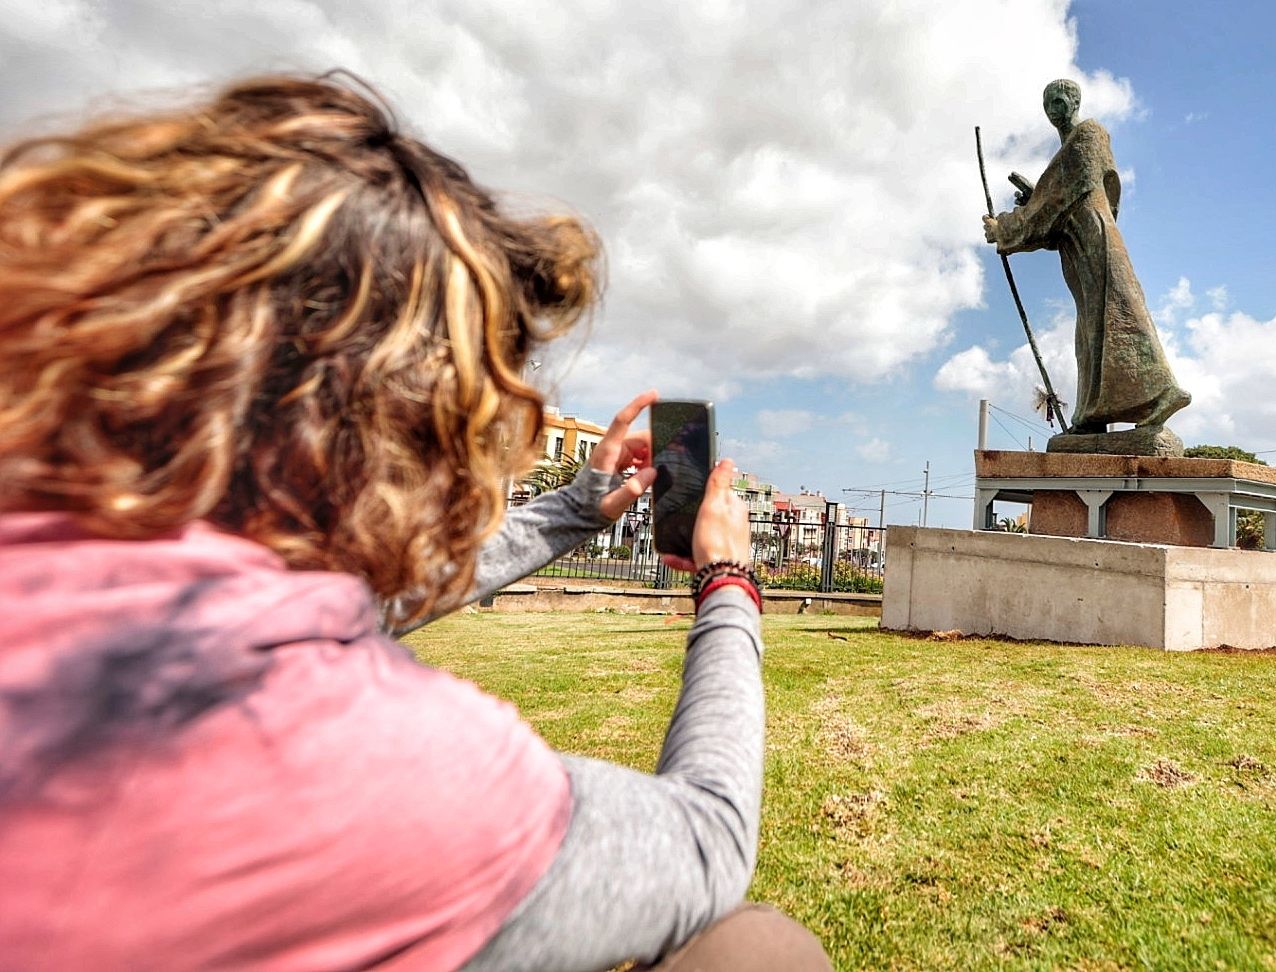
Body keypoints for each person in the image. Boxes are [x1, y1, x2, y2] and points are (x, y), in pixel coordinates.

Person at [0, 74, 830, 971]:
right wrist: (728, 584)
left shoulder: (79, 557)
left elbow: (350, 593)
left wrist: (575, 508)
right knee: (756, 949)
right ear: (412, 424)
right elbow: (703, 841)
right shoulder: (371, 760)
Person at [983, 78, 1190, 434]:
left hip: (1096, 238)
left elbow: (1055, 202)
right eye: (1047, 105)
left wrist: (1003, 227)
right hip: (1079, 243)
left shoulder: (1088, 135)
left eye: (1059, 102)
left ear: (1075, 101)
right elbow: (1057, 204)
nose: (1053, 111)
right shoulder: (1069, 153)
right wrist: (1038, 200)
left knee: (1119, 312)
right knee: (1092, 329)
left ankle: (1162, 392)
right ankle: (1094, 413)